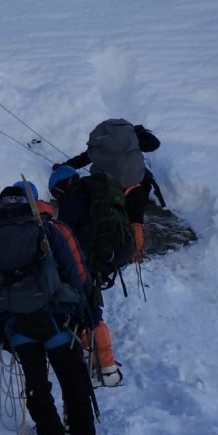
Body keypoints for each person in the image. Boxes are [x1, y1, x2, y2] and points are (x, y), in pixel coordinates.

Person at [0, 183, 114, 435]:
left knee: (35, 382)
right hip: (57, 319)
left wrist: (0, 329)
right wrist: (84, 310)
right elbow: (75, 272)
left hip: (18, 327)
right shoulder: (49, 231)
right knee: (73, 379)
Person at [49, 165, 124, 388]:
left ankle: (104, 368)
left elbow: (68, 238)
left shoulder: (72, 203)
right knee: (91, 310)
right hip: (100, 259)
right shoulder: (92, 194)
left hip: (84, 264)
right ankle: (105, 367)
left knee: (88, 312)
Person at [60, 123, 163, 263]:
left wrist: (63, 166)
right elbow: (154, 144)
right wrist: (138, 135)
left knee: (114, 215)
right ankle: (136, 253)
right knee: (135, 222)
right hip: (136, 186)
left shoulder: (104, 146)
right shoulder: (131, 143)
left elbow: (84, 158)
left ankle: (118, 247)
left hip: (110, 187)